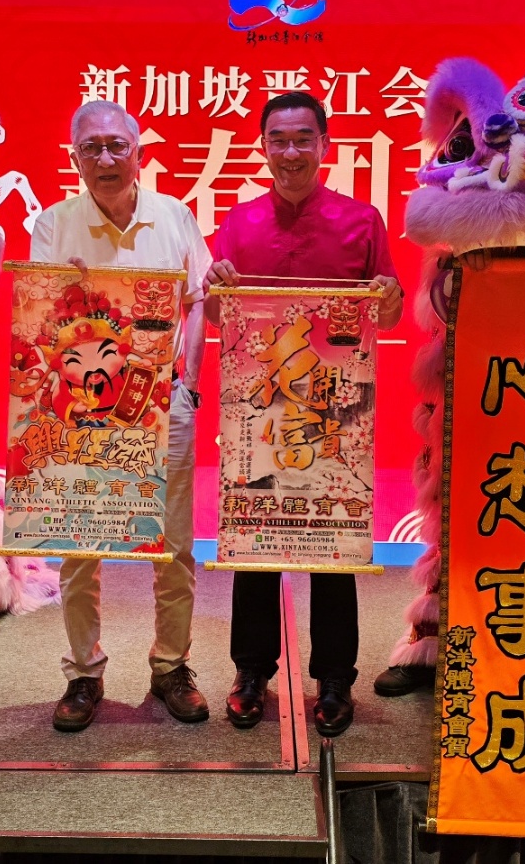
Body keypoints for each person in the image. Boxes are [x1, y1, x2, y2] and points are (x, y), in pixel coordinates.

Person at [202, 92, 404, 736]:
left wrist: (389, 295)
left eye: (302, 139)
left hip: (336, 410)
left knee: (333, 541)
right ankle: (251, 671)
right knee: (255, 537)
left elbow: (390, 313)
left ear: (324, 145)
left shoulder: (361, 220)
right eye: (279, 140)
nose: (291, 152)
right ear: (263, 147)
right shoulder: (239, 223)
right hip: (258, 410)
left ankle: (335, 678)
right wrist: (215, 288)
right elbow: (217, 314)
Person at [31, 100, 213, 732]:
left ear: (139, 152)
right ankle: (83, 671)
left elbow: (198, 301)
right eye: (91, 148)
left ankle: (170, 666)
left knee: (175, 545)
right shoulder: (54, 224)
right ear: (75, 157)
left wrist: (189, 384)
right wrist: (62, 292)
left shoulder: (174, 216)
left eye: (117, 146)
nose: (105, 159)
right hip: (83, 409)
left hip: (164, 403)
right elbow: (39, 319)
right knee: (79, 543)